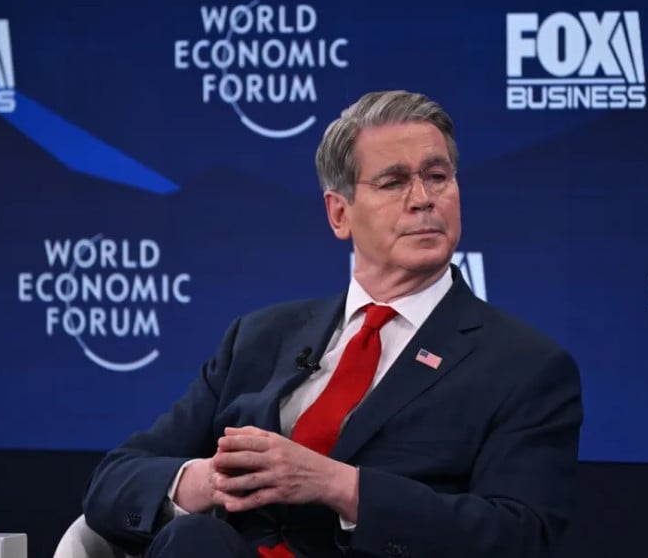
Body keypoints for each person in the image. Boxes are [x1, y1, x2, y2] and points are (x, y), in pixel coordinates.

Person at [82, 90, 583, 558]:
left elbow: (521, 534)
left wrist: (341, 487)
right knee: (197, 539)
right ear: (339, 213)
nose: (422, 198)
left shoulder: (524, 367)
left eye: (437, 176)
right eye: (393, 182)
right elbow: (114, 482)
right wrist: (211, 480)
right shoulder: (258, 338)